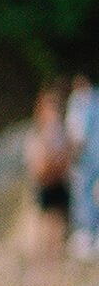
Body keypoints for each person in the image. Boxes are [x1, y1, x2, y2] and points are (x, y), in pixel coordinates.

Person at [24, 80, 72, 269]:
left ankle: (53, 259)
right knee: (47, 220)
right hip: (46, 180)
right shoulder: (42, 131)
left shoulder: (57, 130)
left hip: (56, 179)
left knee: (57, 220)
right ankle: (44, 260)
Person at [67, 73, 99, 257]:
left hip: (85, 160)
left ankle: (86, 236)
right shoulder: (96, 98)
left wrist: (71, 156)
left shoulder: (78, 102)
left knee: (84, 195)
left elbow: (77, 134)